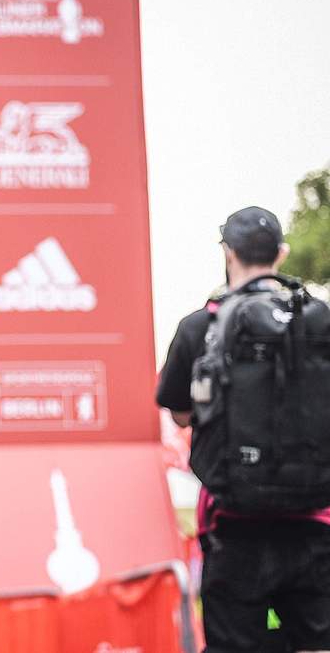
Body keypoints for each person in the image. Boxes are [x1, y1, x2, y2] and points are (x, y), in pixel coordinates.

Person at [156, 207, 330, 653]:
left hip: (233, 527)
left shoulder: (200, 327)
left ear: (227, 253)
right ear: (282, 253)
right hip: (316, 526)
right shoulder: (319, 321)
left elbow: (178, 413)